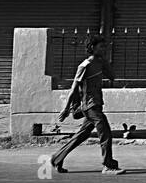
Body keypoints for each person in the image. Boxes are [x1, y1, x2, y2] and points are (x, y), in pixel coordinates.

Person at [51, 35, 124, 175]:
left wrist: (105, 62)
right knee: (106, 133)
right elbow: (73, 88)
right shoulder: (84, 66)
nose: (104, 49)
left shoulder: (100, 62)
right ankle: (108, 165)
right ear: (92, 48)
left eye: (105, 46)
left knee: (81, 135)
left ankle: (57, 158)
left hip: (96, 104)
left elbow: (112, 77)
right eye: (101, 47)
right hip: (89, 106)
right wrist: (66, 108)